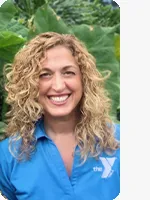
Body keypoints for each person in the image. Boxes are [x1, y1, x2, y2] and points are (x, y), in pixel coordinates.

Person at [0, 32, 120, 200]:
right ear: (29, 85)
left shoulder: (122, 143)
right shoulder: (7, 155)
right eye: (44, 74)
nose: (57, 86)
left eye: (68, 72)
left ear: (84, 79)